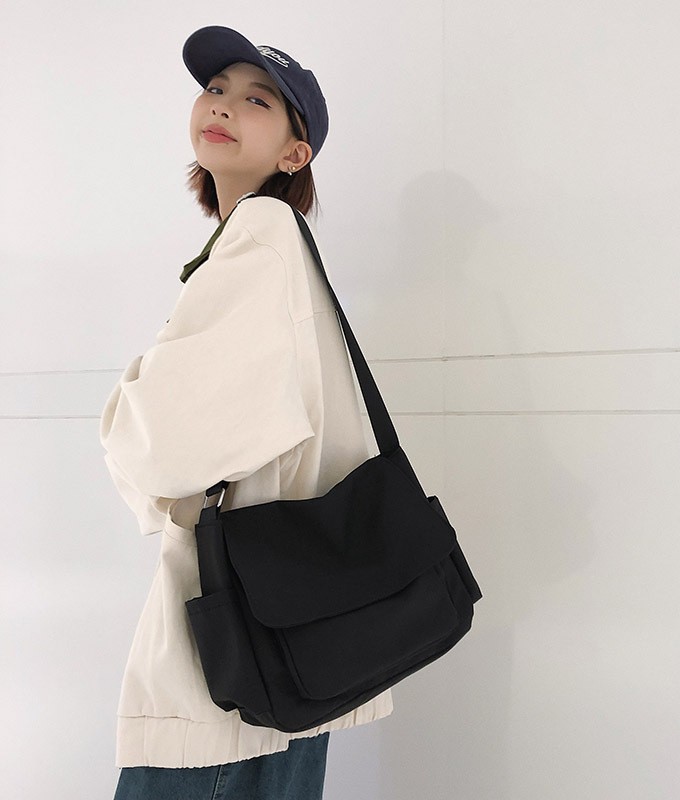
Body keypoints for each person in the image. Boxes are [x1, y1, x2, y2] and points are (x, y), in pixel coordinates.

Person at [100, 25, 393, 799]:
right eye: (216, 88)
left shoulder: (261, 235)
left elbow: (164, 440)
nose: (224, 105)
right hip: (288, 650)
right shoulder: (265, 245)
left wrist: (124, 408)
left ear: (295, 154)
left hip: (234, 664)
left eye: (258, 100)